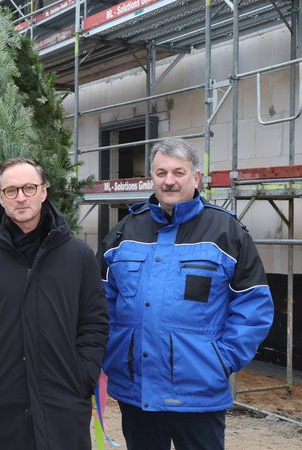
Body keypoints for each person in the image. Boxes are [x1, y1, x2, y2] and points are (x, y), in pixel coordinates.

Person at [97, 139, 274, 450]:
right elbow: (101, 302)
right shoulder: (124, 232)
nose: (169, 181)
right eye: (161, 172)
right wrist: (114, 349)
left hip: (197, 392)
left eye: (179, 172)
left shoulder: (226, 233)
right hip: (135, 391)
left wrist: (222, 359)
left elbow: (254, 305)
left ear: (196, 178)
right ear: (151, 177)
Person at [0, 157, 109, 450]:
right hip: (0, 405)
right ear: (0, 199)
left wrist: (83, 377)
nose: (21, 197)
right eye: (11, 191)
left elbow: (94, 322)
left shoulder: (77, 256)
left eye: (29, 187)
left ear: (44, 191)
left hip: (62, 402)